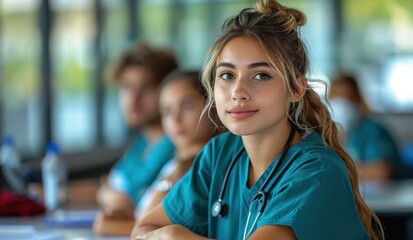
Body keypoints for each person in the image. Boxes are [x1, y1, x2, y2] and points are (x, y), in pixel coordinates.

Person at [131, 1, 384, 240]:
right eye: (227, 75)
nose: (238, 91)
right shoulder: (219, 154)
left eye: (261, 75)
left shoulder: (317, 171)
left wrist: (174, 235)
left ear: (296, 90)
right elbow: (144, 227)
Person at [93, 70, 219, 236]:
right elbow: (146, 218)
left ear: (212, 106)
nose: (175, 118)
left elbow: (149, 229)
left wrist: (107, 225)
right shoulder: (174, 164)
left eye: (186, 106)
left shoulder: (206, 167)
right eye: (166, 111)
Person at [96, 43, 178, 219]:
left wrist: (113, 197)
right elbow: (108, 187)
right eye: (127, 87)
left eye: (146, 88)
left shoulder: (178, 144)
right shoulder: (142, 143)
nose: (133, 99)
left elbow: (131, 205)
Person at [329, 74, 404, 181]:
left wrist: (337, 171)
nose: (342, 104)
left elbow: (381, 171)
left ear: (358, 99)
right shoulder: (329, 132)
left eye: (347, 97)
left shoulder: (372, 130)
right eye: (337, 98)